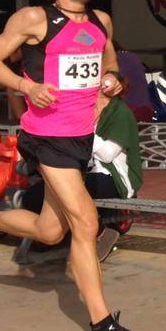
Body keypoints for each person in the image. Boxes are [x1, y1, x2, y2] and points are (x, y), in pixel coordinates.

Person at [0, 0, 147, 331]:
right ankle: (102, 324)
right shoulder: (34, 19)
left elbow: (110, 61)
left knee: (49, 230)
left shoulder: (101, 21)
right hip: (46, 137)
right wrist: (27, 85)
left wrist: (112, 81)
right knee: (86, 222)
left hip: (81, 138)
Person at [21, 69, 143, 261]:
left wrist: (81, 129)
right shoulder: (83, 108)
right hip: (81, 172)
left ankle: (102, 232)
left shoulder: (120, 113)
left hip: (112, 176)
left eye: (107, 81)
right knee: (33, 197)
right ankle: (59, 236)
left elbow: (108, 154)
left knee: (76, 191)